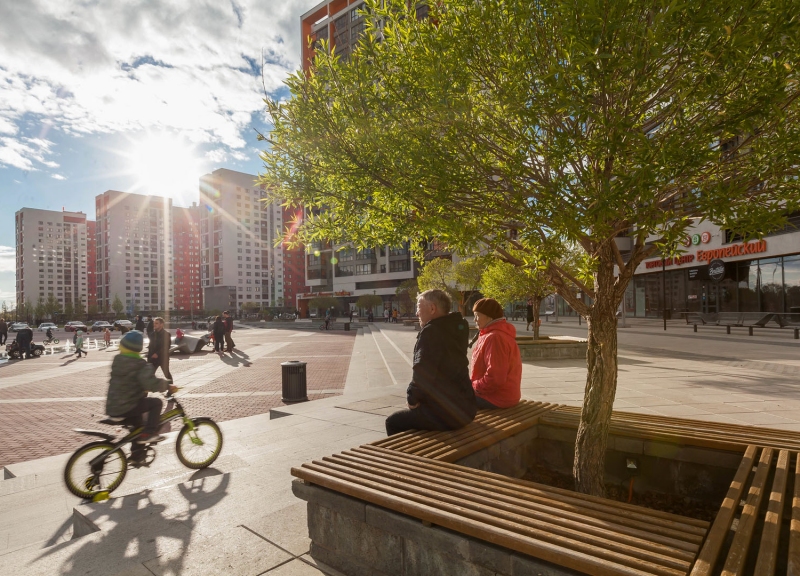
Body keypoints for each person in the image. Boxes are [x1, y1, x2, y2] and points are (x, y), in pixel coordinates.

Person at [385, 289, 477, 436]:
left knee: (392, 422)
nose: (417, 313)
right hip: (467, 409)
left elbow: (422, 374)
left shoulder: (431, 332)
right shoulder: (458, 325)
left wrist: (412, 398)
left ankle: (405, 457)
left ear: (432, 308)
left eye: (418, 308)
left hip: (448, 415)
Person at [106, 331, 177, 444]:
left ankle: (136, 457)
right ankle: (149, 433)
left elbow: (129, 380)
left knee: (138, 427)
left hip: (113, 405)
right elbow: (150, 383)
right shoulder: (139, 364)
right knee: (156, 403)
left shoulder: (117, 360)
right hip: (127, 405)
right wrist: (167, 386)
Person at [470, 298, 522, 410]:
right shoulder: (491, 334)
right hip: (499, 395)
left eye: (477, 316)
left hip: (496, 398)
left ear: (489, 317)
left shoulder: (495, 338)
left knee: (447, 401)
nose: (474, 320)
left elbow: (495, 377)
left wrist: (474, 386)